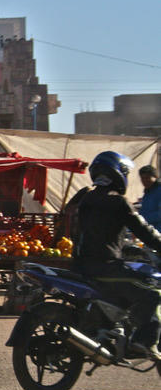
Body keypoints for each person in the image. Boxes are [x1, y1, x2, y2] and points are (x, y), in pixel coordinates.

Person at [71, 151, 161, 361]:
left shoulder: (86, 198)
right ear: (120, 174)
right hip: (105, 266)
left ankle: (107, 329)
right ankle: (143, 341)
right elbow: (144, 230)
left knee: (124, 288)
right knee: (151, 291)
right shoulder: (118, 202)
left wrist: (126, 248)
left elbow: (99, 233)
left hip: (81, 264)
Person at [138, 165, 161, 232]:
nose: (144, 181)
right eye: (142, 178)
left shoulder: (159, 190)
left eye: (147, 178)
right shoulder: (147, 192)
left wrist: (142, 219)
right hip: (150, 232)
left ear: (155, 177)